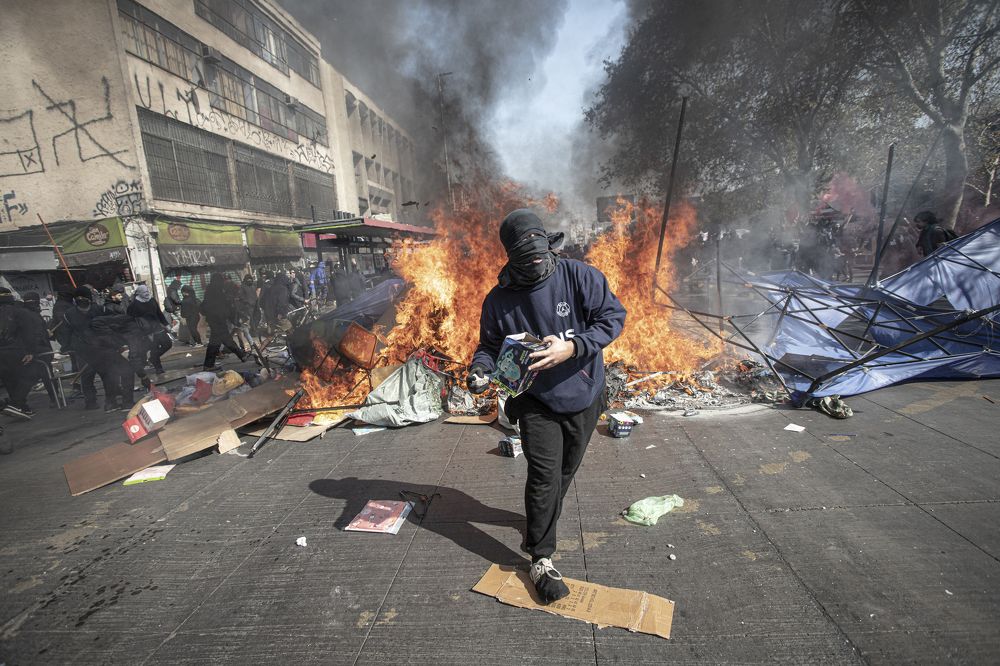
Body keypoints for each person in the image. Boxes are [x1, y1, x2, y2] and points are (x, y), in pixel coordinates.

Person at [467, 209, 626, 604]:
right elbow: (489, 346)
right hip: (534, 400)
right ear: (511, 259)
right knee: (543, 475)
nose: (536, 264)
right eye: (527, 259)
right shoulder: (499, 300)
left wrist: (572, 347)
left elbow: (612, 317)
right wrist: (480, 370)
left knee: (564, 472)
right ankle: (540, 556)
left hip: (585, 393)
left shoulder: (580, 276)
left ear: (550, 248)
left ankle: (544, 514)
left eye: (541, 256)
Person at [57, 287, 132, 411]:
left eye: (83, 297)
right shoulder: (69, 314)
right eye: (78, 298)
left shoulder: (100, 309)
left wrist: (115, 341)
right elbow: (65, 332)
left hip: (102, 348)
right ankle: (91, 402)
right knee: (87, 376)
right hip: (83, 351)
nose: (80, 300)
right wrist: (67, 346)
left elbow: (113, 322)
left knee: (107, 374)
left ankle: (110, 402)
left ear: (89, 298)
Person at [0, 287, 41, 419]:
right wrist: (31, 352)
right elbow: (29, 333)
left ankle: (22, 408)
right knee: (32, 375)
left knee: (10, 381)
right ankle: (16, 404)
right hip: (16, 351)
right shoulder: (20, 312)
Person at [200, 273, 247, 370]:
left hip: (213, 319)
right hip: (219, 320)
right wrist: (232, 317)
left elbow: (205, 306)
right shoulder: (218, 291)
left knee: (215, 342)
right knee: (226, 339)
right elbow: (224, 307)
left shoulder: (209, 291)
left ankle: (208, 365)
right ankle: (241, 355)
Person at [127, 284, 172, 375]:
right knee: (154, 348)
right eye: (144, 292)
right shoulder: (134, 305)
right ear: (139, 293)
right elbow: (131, 320)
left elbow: (159, 313)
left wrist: (166, 324)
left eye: (147, 291)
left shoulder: (152, 300)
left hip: (158, 328)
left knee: (168, 344)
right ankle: (158, 368)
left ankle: (153, 358)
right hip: (146, 332)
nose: (146, 293)